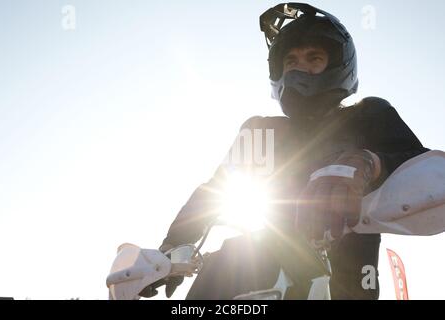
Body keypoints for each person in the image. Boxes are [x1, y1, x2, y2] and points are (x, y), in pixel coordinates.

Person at [156, 3, 429, 299]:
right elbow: (215, 194)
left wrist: (370, 163)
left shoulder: (369, 116)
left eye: (314, 57)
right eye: (291, 60)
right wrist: (167, 251)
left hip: (346, 274)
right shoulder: (261, 131)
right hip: (259, 270)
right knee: (228, 258)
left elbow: (431, 174)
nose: (300, 68)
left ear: (339, 64)